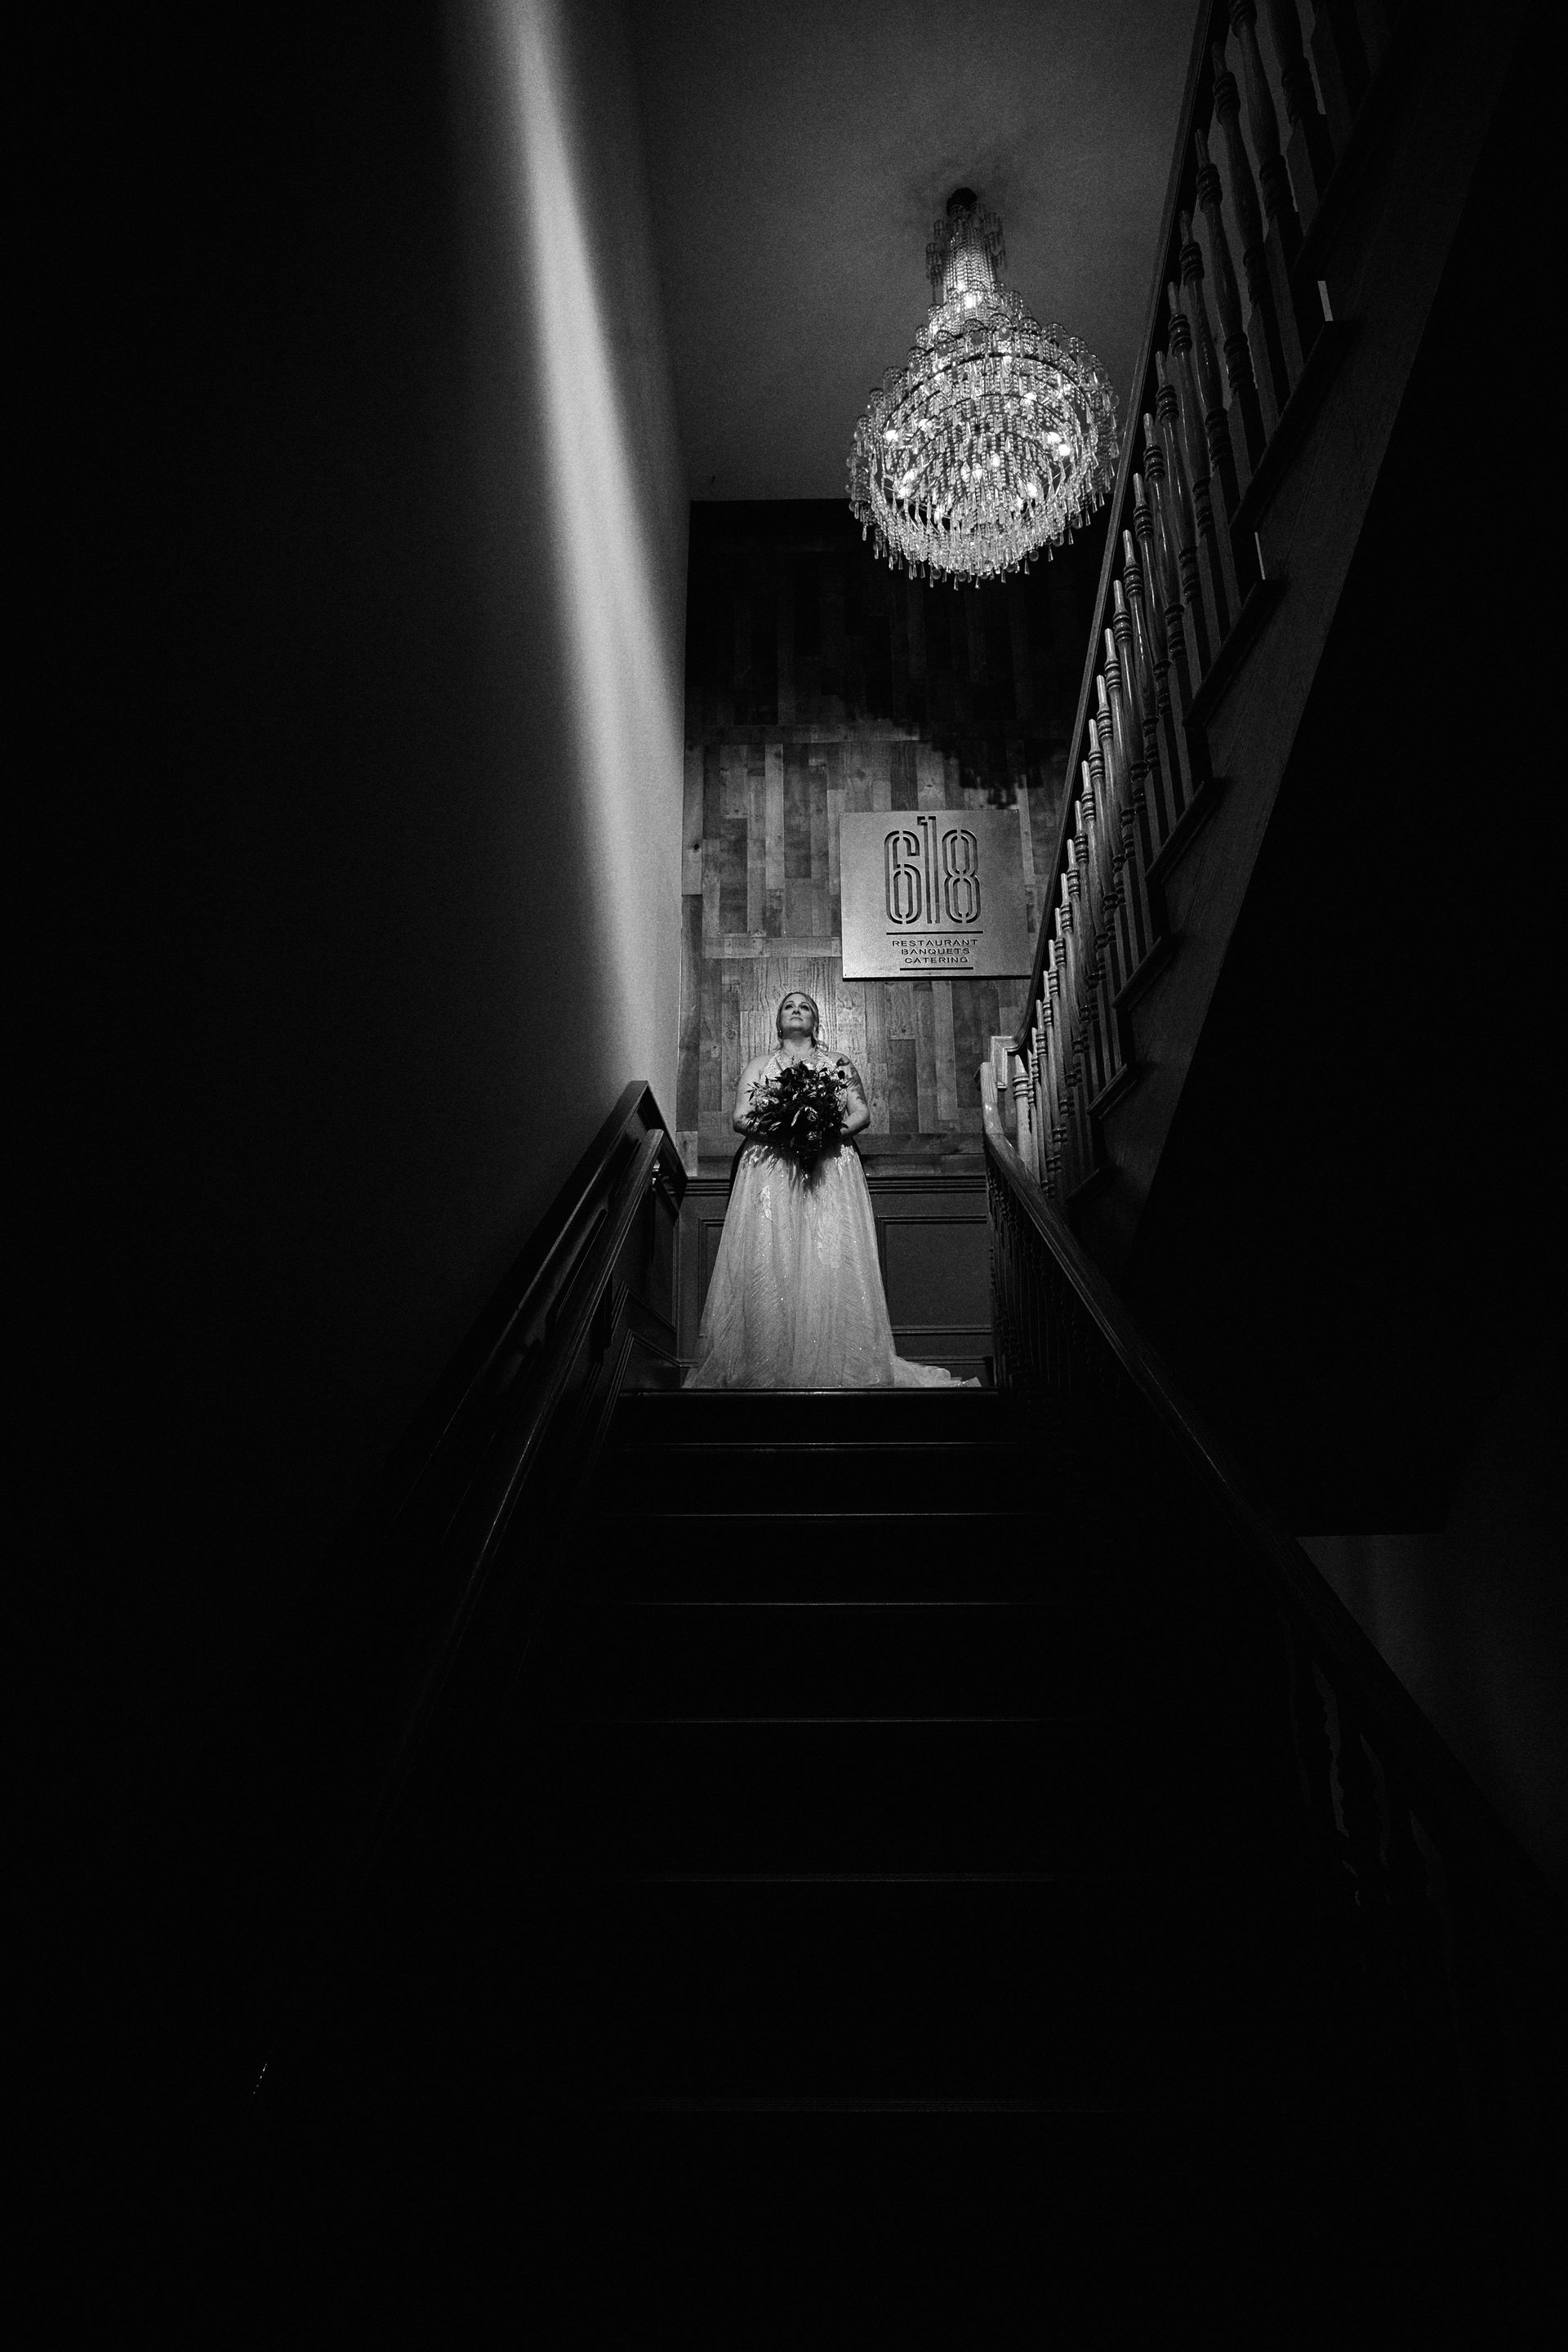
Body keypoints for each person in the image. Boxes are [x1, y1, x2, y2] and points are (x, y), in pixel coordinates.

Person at [685, 990, 976, 1388]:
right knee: (772, 1252)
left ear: (816, 1019)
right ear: (778, 1021)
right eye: (789, 1006)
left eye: (805, 1006)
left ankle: (841, 1364)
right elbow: (740, 1117)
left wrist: (823, 1135)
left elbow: (861, 1112)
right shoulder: (758, 1065)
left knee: (830, 1253)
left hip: (829, 1164)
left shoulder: (839, 1063)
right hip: (771, 1167)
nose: (797, 1011)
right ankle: (767, 1363)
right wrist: (785, 1135)